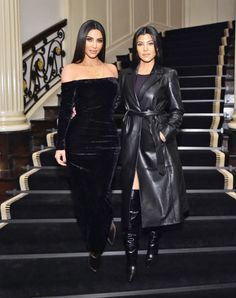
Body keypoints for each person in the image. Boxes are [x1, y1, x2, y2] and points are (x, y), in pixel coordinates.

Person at [119, 25, 188, 282]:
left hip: (156, 143)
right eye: (140, 44)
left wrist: (163, 134)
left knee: (156, 199)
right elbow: (114, 106)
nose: (145, 48)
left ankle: (154, 243)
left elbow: (177, 111)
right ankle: (130, 260)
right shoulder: (125, 75)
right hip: (131, 143)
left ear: (157, 47)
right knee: (132, 202)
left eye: (150, 43)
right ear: (135, 48)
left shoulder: (168, 74)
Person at [55, 20, 120, 273]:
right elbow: (64, 110)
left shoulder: (112, 69)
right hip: (79, 140)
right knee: (82, 200)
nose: (94, 45)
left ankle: (95, 248)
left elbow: (115, 106)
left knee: (100, 195)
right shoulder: (70, 70)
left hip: (107, 141)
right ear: (82, 40)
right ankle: (106, 224)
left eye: (99, 40)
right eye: (89, 39)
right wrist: (61, 144)